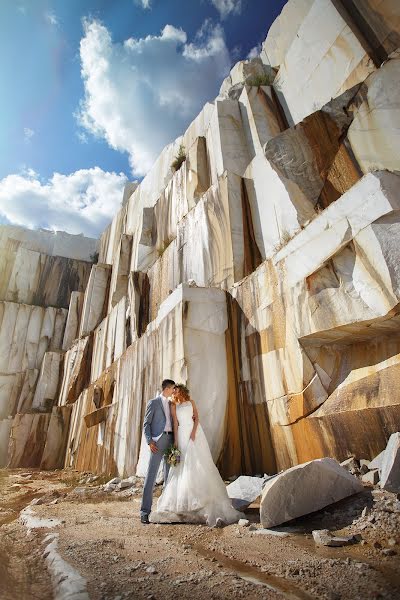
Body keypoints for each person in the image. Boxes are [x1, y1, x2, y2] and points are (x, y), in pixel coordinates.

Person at [150, 383, 245, 527]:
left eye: (176, 390)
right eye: (173, 391)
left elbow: (197, 417)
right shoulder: (173, 406)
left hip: (195, 433)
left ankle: (203, 499)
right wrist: (176, 441)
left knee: (199, 462)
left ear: (182, 391)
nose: (174, 393)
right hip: (182, 435)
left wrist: (194, 432)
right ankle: (185, 503)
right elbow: (175, 424)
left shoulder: (191, 402)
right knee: (183, 466)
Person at [140, 378, 175, 524]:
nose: (174, 391)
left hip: (170, 441)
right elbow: (146, 424)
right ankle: (144, 512)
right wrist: (149, 441)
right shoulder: (153, 402)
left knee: (169, 476)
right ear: (167, 388)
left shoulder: (172, 403)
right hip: (157, 442)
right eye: (172, 388)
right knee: (151, 476)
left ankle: (165, 509)